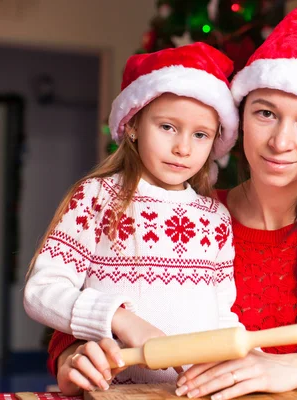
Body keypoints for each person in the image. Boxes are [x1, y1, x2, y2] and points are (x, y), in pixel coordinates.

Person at [48, 6, 297, 399]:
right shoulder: (197, 216)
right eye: (265, 113)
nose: (280, 142)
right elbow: (76, 316)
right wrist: (73, 358)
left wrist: (285, 369)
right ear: (239, 119)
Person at [23, 42, 241, 394]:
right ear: (134, 123)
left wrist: (244, 356)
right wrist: (119, 319)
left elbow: (221, 315)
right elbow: (41, 291)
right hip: (114, 392)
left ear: (215, 141)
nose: (183, 148)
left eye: (200, 134)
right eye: (168, 127)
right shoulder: (97, 198)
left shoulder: (215, 217)